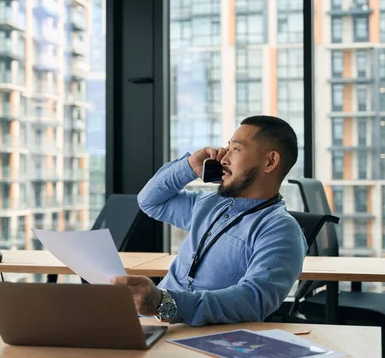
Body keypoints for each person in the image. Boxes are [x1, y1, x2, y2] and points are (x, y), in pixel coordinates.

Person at [111, 115, 307, 326]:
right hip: (145, 322)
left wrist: (163, 302)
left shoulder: (280, 230)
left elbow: (253, 300)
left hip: (198, 337)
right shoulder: (210, 203)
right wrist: (189, 167)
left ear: (270, 162)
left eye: (236, 149)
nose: (223, 159)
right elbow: (149, 201)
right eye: (227, 147)